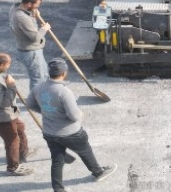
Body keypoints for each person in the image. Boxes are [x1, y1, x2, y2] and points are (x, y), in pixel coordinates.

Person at [26, 59, 117, 192]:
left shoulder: (38, 87)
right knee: (85, 150)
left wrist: (47, 112)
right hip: (70, 133)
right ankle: (98, 172)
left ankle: (58, 189)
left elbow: (29, 104)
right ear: (64, 73)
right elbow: (74, 116)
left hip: (49, 133)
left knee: (57, 160)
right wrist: (81, 114)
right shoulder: (64, 92)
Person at [0, 53, 36, 176]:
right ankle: (13, 166)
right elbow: (5, 103)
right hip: (4, 117)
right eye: (8, 64)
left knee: (20, 128)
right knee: (12, 140)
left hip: (11, 114)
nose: (9, 66)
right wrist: (11, 86)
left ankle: (22, 152)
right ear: (2, 65)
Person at [10, 0, 51, 93]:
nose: (37, 7)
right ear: (28, 4)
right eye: (36, 5)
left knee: (45, 74)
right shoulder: (22, 18)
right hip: (30, 52)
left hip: (33, 51)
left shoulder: (15, 7)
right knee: (38, 78)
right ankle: (36, 101)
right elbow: (35, 37)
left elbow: (29, 13)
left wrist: (34, 13)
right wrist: (44, 29)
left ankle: (45, 95)